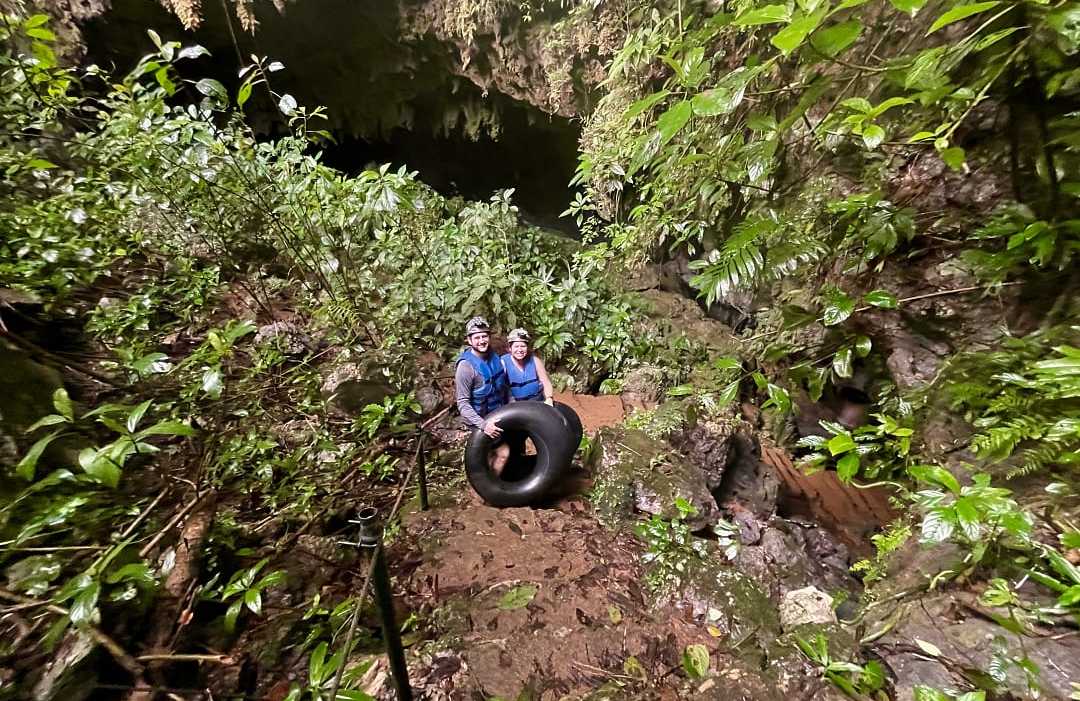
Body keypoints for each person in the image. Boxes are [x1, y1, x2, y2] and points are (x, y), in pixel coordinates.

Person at [454, 316, 511, 475]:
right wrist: (483, 425)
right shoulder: (465, 367)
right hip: (477, 423)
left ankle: (490, 491)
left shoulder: (494, 357)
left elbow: (504, 388)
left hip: (496, 416)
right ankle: (479, 492)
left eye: (484, 336)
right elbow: (463, 404)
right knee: (482, 461)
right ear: (469, 340)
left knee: (503, 453)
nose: (481, 341)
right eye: (477, 337)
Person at [501, 328, 554, 406]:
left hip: (537, 402)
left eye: (523, 346)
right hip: (515, 405)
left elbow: (546, 382)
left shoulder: (535, 361)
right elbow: (500, 388)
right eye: (516, 346)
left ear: (527, 347)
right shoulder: (503, 362)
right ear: (510, 348)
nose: (520, 350)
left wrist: (549, 398)